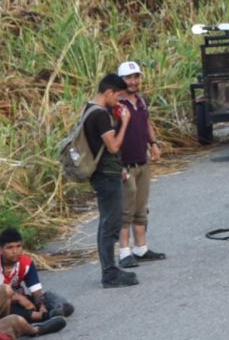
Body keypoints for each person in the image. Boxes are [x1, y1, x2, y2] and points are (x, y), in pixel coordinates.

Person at [79, 74, 135, 287]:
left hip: (103, 172)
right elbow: (112, 147)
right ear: (108, 92)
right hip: (105, 175)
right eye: (118, 96)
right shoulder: (100, 115)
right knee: (110, 223)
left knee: (107, 222)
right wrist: (125, 123)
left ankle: (110, 270)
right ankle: (109, 273)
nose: (118, 100)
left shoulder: (88, 109)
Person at [112, 61, 163, 271]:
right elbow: (112, 138)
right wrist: (119, 165)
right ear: (120, 81)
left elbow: (147, 123)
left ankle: (141, 248)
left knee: (141, 206)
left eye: (136, 77)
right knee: (126, 209)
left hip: (142, 161)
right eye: (128, 78)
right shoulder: (116, 106)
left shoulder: (140, 100)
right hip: (126, 165)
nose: (133, 82)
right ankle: (124, 252)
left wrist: (153, 143)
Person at [0, 228, 72, 328]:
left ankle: (53, 311)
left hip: (22, 301)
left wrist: (40, 305)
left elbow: (36, 290)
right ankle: (44, 317)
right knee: (10, 307)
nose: (15, 251)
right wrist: (17, 298)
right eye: (10, 248)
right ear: (1, 250)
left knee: (48, 297)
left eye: (18, 246)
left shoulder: (26, 263)